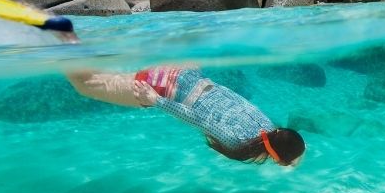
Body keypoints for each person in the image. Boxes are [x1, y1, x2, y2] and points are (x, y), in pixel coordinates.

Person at [67, 66, 305, 166]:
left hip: (185, 74)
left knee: (107, 75)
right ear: (276, 158)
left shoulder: (266, 124)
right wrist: (155, 100)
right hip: (164, 88)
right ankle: (55, 44)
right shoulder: (238, 142)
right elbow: (196, 118)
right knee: (86, 84)